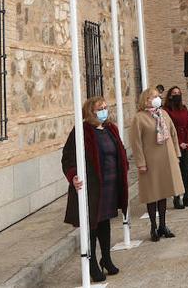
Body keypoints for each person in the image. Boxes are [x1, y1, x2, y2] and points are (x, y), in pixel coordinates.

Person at [62, 96, 129, 282]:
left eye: (106, 107)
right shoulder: (82, 131)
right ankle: (91, 265)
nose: (104, 111)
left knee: (105, 223)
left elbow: (120, 150)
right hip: (92, 187)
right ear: (91, 111)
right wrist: (73, 176)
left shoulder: (111, 129)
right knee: (91, 226)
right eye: (100, 108)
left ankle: (106, 259)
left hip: (110, 185)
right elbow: (67, 157)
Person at [129, 87, 182, 243]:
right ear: (146, 99)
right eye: (154, 96)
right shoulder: (139, 118)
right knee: (152, 194)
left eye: (158, 96)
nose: (157, 98)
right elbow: (136, 142)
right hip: (150, 161)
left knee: (164, 193)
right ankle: (153, 227)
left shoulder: (163, 113)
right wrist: (140, 163)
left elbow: (173, 133)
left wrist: (176, 154)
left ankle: (163, 225)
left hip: (166, 159)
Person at [164, 86, 188, 210]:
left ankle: (187, 197)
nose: (177, 95)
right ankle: (177, 199)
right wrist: (179, 142)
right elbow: (170, 129)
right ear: (170, 95)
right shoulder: (166, 110)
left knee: (185, 171)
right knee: (176, 173)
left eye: (178, 93)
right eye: (174, 93)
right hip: (175, 145)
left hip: (186, 144)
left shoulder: (184, 108)